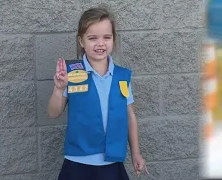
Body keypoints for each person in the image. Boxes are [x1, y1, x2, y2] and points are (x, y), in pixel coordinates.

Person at [47, 5, 149, 180]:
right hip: (77, 162)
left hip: (112, 163)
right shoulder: (72, 73)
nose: (100, 43)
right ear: (81, 42)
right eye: (92, 38)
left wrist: (136, 153)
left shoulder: (122, 76)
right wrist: (59, 89)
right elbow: (53, 113)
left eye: (106, 37)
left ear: (113, 40)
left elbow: (130, 116)